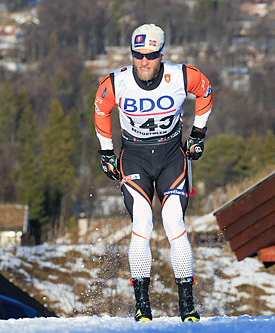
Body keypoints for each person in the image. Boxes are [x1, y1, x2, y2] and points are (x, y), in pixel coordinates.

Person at [94, 23, 213, 322]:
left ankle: (187, 304)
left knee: (173, 221)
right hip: (134, 157)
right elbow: (101, 111)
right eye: (138, 55)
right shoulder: (115, 82)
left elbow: (205, 91)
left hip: (171, 155)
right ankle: (142, 305)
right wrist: (106, 152)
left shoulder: (182, 75)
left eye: (150, 55)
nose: (144, 62)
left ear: (161, 53)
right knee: (143, 222)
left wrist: (198, 134)